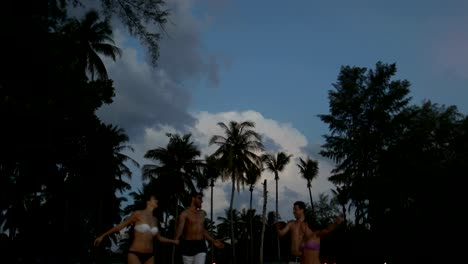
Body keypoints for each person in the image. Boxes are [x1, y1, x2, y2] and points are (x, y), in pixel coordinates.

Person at [94, 193, 179, 264]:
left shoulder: (155, 219)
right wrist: (103, 236)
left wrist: (173, 241)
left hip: (150, 255)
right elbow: (121, 226)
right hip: (135, 253)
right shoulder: (138, 214)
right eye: (154, 199)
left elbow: (159, 238)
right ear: (148, 201)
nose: (157, 200)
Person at [174, 191, 224, 264]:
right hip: (187, 245)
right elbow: (180, 228)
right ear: (193, 198)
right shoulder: (184, 214)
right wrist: (176, 239)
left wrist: (213, 240)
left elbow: (203, 230)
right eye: (199, 198)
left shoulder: (202, 213)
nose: (202, 201)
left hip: (201, 245)